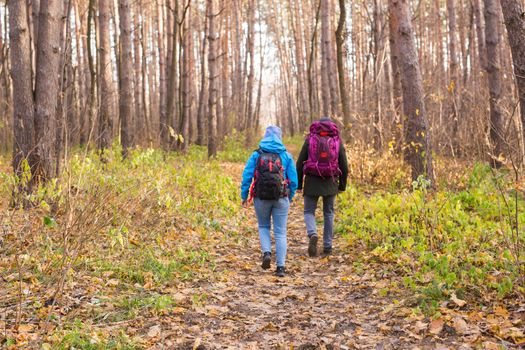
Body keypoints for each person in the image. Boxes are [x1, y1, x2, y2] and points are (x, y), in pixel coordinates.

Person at [241, 126, 298, 277]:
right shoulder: (286, 155)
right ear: (280, 136)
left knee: (263, 226)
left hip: (261, 197)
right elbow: (294, 181)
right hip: (281, 197)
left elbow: (247, 175)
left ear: (265, 136)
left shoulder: (256, 154)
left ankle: (266, 252)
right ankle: (281, 267)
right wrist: (289, 197)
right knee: (280, 232)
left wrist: (244, 195)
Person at [296, 117, 348, 257]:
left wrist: (299, 184)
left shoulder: (310, 139)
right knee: (328, 213)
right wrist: (342, 186)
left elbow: (300, 162)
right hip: (330, 180)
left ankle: (313, 233)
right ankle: (327, 247)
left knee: (308, 211)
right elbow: (344, 165)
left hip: (312, 180)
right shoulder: (337, 141)